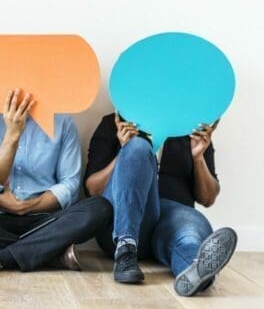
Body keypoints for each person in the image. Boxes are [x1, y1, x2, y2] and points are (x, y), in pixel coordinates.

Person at [0, 89, 112, 274]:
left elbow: (69, 185)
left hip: (46, 221)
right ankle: (50, 253)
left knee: (99, 207)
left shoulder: (62, 122)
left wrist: (27, 206)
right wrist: (12, 134)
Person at [84, 111, 237, 296]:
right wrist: (125, 152)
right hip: (126, 220)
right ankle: (125, 251)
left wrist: (198, 158)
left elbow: (208, 198)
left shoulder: (191, 129)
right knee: (138, 147)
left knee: (189, 235)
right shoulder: (115, 123)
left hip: (173, 216)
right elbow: (93, 189)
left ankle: (196, 271)